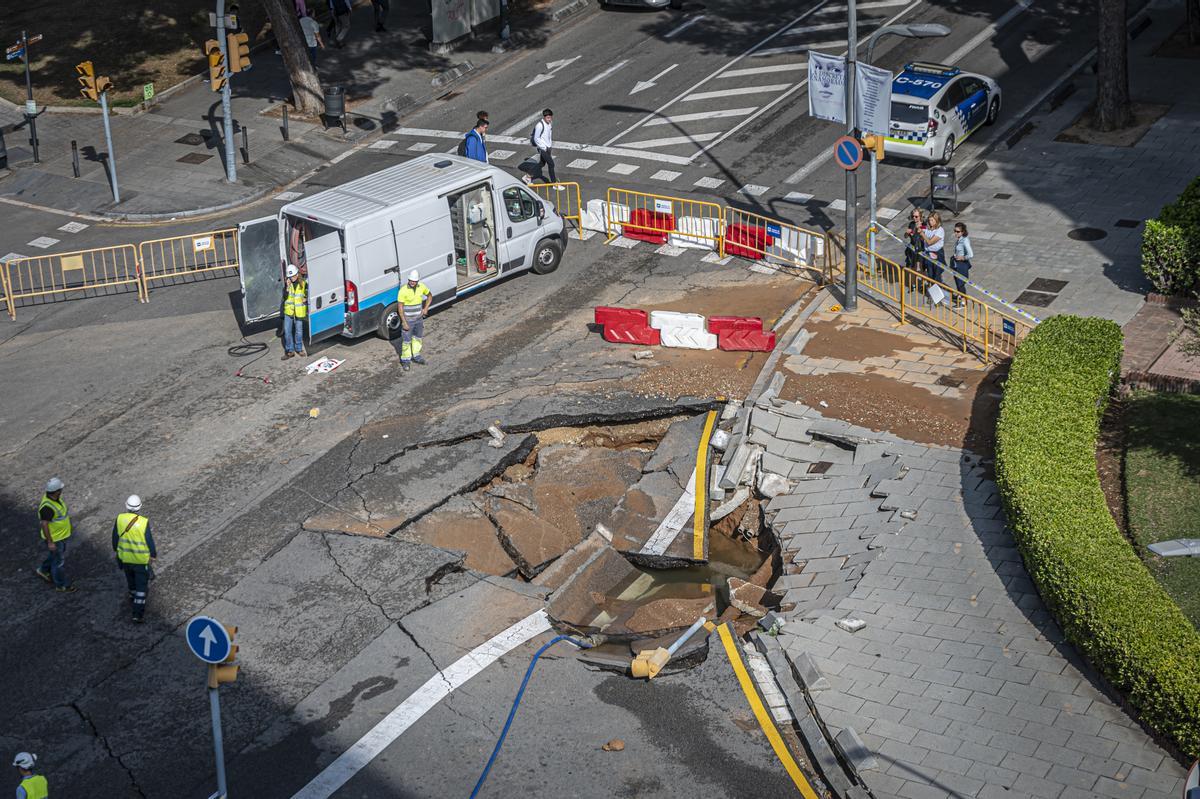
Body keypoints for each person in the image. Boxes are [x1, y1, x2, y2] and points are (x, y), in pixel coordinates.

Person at [113, 495, 157, 624]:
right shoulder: (143, 522)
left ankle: (132, 596)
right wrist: (153, 554)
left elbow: (115, 538)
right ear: (139, 507)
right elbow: (149, 540)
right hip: (140, 561)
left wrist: (117, 552)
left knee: (130, 581)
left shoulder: (120, 519)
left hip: (125, 559)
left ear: (126, 506)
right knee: (142, 588)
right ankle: (137, 613)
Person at [35, 478, 75, 593]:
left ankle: (43, 570)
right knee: (59, 563)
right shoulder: (47, 508)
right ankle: (61, 585)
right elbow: (44, 524)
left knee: (55, 556)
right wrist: (50, 542)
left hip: (60, 536)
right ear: (56, 491)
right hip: (56, 539)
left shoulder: (54, 498)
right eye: (60, 489)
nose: (62, 490)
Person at [397, 270, 432, 372]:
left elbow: (429, 296)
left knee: (417, 338)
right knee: (406, 341)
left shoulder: (422, 287)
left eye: (414, 281)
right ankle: (406, 360)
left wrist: (425, 309)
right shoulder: (403, 290)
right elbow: (400, 308)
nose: (412, 282)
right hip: (408, 320)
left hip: (418, 319)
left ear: (417, 281)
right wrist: (404, 322)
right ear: (408, 279)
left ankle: (416, 356)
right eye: (411, 280)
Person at [282, 264, 307, 360]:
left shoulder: (303, 283)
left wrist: (306, 298)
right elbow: (284, 297)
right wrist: (287, 288)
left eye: (292, 276)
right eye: (289, 277)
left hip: (299, 311)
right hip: (289, 311)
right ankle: (290, 351)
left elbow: (307, 293)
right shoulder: (288, 284)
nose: (291, 278)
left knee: (299, 331)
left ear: (297, 274)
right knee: (287, 331)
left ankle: (299, 349)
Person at [531, 109, 559, 186]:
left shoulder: (550, 123)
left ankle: (527, 176)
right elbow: (536, 138)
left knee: (541, 164)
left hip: (548, 147)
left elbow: (548, 135)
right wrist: (544, 147)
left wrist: (549, 146)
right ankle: (554, 183)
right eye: (548, 118)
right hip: (542, 148)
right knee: (551, 164)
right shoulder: (539, 125)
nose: (549, 119)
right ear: (544, 117)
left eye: (550, 117)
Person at [951, 222, 973, 306]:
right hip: (957, 263)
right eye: (955, 231)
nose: (956, 233)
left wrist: (962, 257)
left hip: (962, 265)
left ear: (963, 232)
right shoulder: (960, 239)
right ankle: (960, 296)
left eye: (958, 231)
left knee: (960, 283)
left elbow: (971, 254)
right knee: (957, 281)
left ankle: (964, 302)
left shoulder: (965, 241)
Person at [921, 211, 946, 284]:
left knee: (937, 274)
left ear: (937, 220)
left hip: (937, 253)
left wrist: (922, 233)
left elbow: (930, 242)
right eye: (929, 220)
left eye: (932, 220)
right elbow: (924, 240)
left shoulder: (940, 230)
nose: (930, 222)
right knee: (930, 273)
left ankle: (939, 292)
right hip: (928, 253)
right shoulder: (928, 229)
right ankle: (932, 290)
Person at [904, 208, 925, 273]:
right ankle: (913, 282)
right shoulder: (912, 224)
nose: (914, 218)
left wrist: (918, 229)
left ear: (921, 216)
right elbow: (905, 236)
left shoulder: (924, 225)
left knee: (921, 269)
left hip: (921, 248)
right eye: (912, 216)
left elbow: (923, 238)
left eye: (916, 216)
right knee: (911, 267)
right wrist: (907, 233)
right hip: (912, 248)